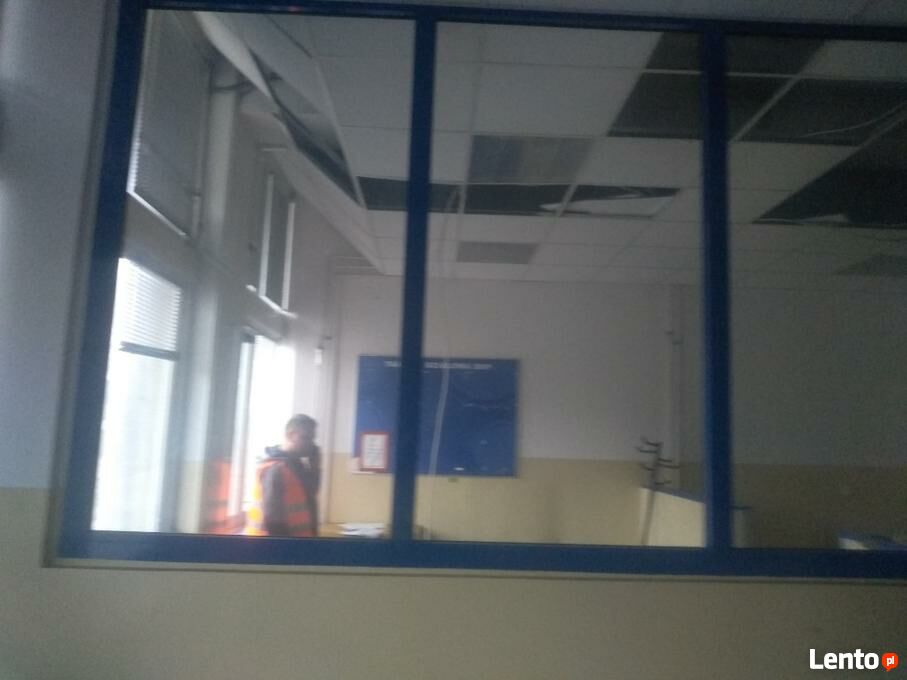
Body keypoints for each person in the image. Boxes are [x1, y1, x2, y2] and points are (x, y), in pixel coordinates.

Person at [243, 414, 321, 537]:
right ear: (290, 435)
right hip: (273, 545)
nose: (311, 444)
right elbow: (273, 520)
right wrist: (286, 546)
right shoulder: (275, 468)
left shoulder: (296, 465)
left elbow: (311, 494)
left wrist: (315, 466)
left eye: (312, 439)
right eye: (306, 438)